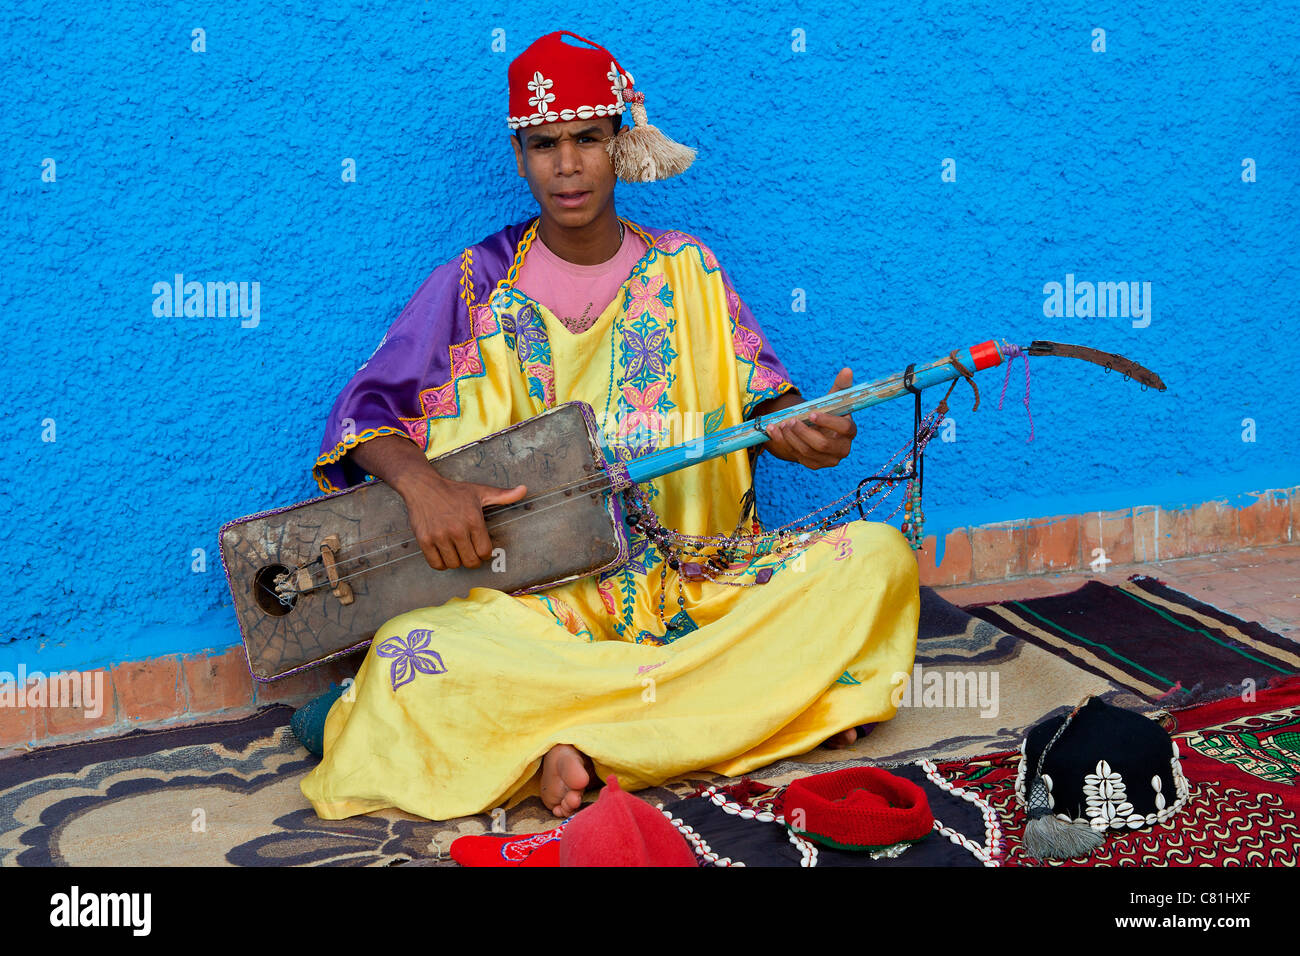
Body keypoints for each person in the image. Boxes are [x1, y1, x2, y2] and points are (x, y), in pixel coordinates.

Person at [299, 30, 919, 822]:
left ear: (620, 145)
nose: (567, 165)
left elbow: (766, 402)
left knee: (877, 562)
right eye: (545, 143)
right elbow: (363, 419)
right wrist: (423, 485)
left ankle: (565, 738)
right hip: (535, 610)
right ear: (519, 154)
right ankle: (732, 713)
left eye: (587, 139)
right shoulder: (472, 284)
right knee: (412, 656)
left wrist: (801, 431)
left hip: (698, 585)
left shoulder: (686, 269)